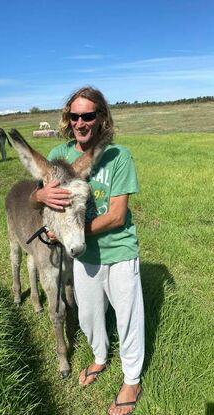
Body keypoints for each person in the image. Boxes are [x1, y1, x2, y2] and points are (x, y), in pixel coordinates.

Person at [31, 86, 144, 415]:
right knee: (90, 315)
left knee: (128, 317)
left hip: (118, 250)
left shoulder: (118, 156)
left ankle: (132, 379)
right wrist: (39, 198)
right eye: (75, 115)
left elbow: (117, 216)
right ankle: (99, 357)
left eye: (88, 115)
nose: (81, 122)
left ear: (101, 118)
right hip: (83, 256)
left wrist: (69, 234)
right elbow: (39, 198)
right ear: (68, 118)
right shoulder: (58, 154)